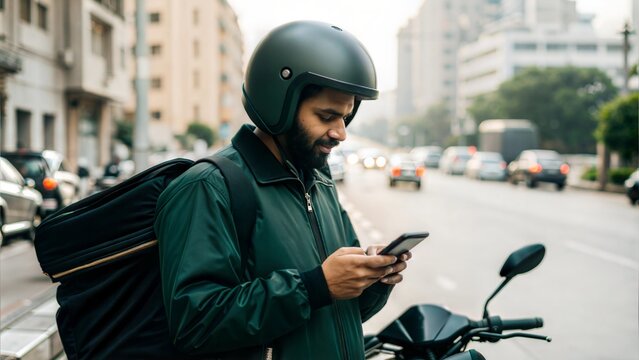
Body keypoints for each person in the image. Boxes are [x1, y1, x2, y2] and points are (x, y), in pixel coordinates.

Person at [154, 21, 412, 359]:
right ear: (279, 105)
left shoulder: (320, 181)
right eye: (326, 116)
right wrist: (314, 287)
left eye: (345, 118)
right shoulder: (207, 187)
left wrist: (373, 278)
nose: (341, 133)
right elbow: (195, 324)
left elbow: (338, 315)